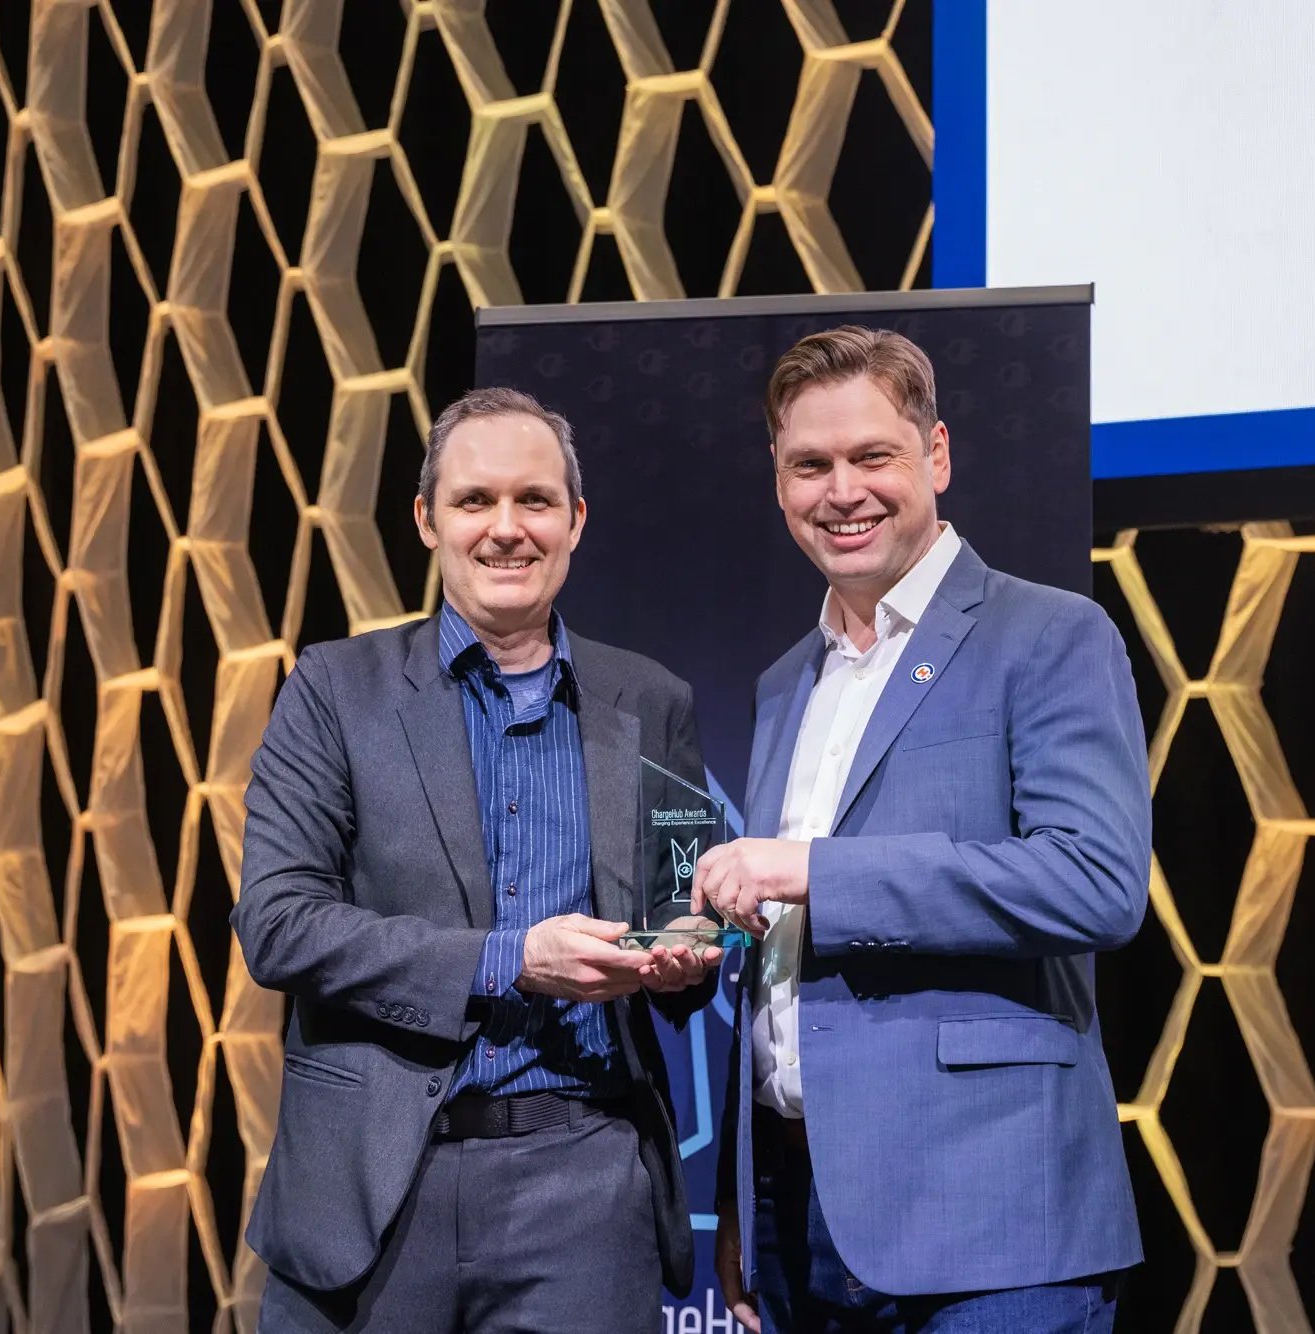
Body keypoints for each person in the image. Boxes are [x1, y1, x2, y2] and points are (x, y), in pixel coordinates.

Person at [233, 387, 723, 1332]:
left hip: (583, 1185)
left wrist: (683, 957)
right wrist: (512, 959)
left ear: (576, 520)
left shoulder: (652, 700)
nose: (508, 529)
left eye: (535, 501)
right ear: (427, 519)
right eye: (475, 501)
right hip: (372, 1190)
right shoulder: (335, 690)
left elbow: (683, 940)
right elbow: (279, 925)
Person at [696, 327, 1151, 1332]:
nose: (840, 491)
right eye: (808, 465)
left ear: (935, 456)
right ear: (778, 483)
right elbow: (778, 962)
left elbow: (1094, 881)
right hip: (798, 1214)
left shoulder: (1048, 635)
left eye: (872, 457)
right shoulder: (786, 682)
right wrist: (739, 1187)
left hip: (991, 1226)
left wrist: (820, 869)